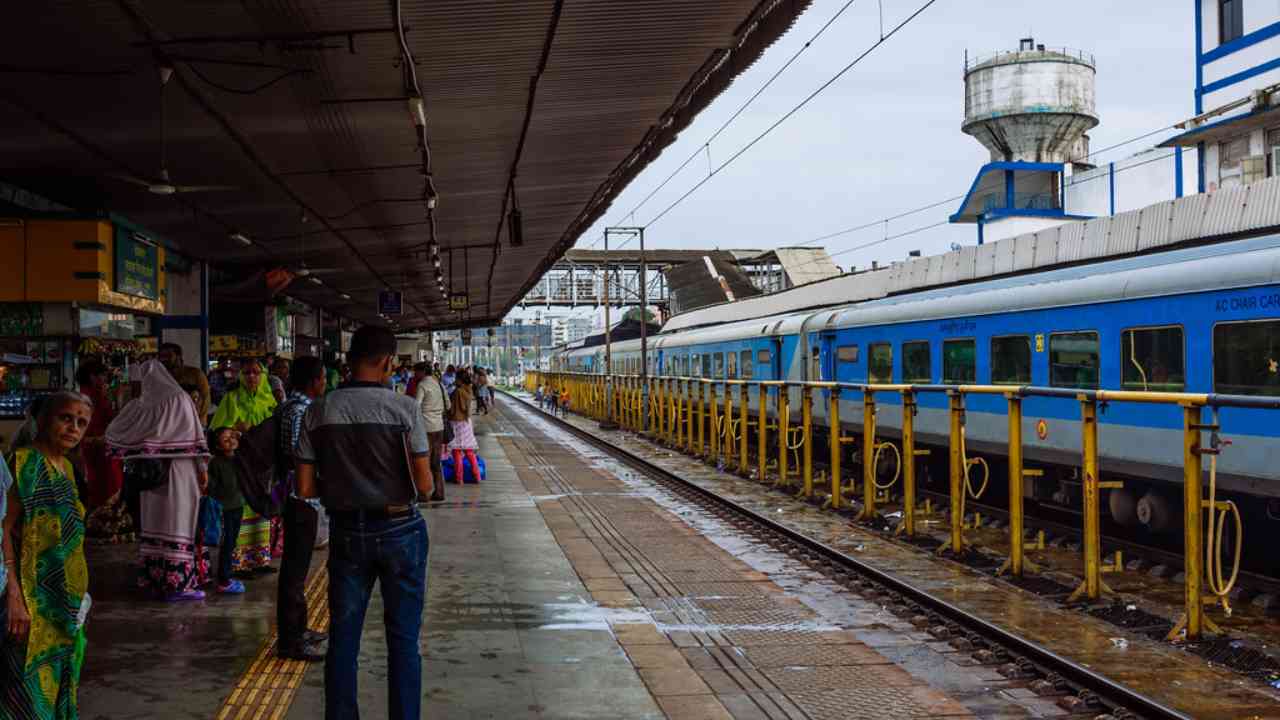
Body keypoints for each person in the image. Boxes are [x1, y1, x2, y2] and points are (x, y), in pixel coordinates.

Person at [295, 325, 432, 720]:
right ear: (388, 362)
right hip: (401, 529)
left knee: (343, 639)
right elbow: (423, 486)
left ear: (350, 360)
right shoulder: (404, 409)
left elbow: (304, 488)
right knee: (404, 642)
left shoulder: (319, 409)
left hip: (347, 531)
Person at [2, 392, 91, 719]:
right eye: (65, 418)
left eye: (82, 423)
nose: (73, 428)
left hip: (67, 604)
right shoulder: (21, 463)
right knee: (25, 690)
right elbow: (2, 529)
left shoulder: (67, 467)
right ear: (43, 420)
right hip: (31, 603)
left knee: (60, 685)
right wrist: (13, 595)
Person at [106, 361, 211, 601]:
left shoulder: (141, 405)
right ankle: (179, 585)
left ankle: (154, 579)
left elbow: (114, 432)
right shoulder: (178, 400)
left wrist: (143, 446)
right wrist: (203, 469)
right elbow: (195, 438)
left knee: (156, 526)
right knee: (179, 524)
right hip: (180, 474)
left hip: (151, 479)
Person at [274, 356, 328, 662]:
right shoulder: (300, 411)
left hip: (296, 497)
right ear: (312, 380)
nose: (324, 383)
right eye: (322, 378)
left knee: (298, 569)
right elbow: (298, 455)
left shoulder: (289, 406)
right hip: (299, 499)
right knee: (294, 572)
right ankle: (291, 641)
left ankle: (300, 629)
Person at [210, 362, 278, 574]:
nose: (251, 376)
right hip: (242, 463)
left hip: (264, 464)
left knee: (261, 510)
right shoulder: (232, 398)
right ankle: (239, 563)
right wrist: (238, 432)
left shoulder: (270, 400)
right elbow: (219, 429)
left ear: (263, 376)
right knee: (243, 508)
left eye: (256, 372)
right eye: (247, 372)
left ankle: (259, 560)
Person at [75, 359, 123, 511]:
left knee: (101, 484)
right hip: (98, 446)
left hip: (98, 445)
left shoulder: (89, 394)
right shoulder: (91, 396)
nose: (105, 379)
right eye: (102, 375)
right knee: (107, 484)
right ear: (92, 377)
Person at [206, 427, 246, 595]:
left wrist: (241, 435)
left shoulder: (240, 458)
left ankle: (226, 576)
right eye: (226, 439)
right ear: (218, 446)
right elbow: (212, 488)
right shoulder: (215, 463)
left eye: (232, 436)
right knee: (228, 543)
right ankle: (224, 579)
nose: (231, 440)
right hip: (225, 509)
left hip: (238, 506)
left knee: (232, 542)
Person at [415, 363, 451, 502]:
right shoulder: (440, 385)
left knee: (424, 459)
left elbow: (416, 406)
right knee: (436, 461)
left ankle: (424, 493)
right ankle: (439, 492)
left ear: (422, 372)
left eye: (416, 372)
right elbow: (448, 405)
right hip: (439, 427)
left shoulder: (422, 385)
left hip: (425, 427)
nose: (415, 375)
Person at [159, 342, 212, 427]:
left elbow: (206, 398)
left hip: (194, 422)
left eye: (168, 355)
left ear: (178, 356)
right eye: (162, 356)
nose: (164, 359)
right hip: (171, 424)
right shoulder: (161, 376)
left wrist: (200, 421)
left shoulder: (195, 374)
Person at [447, 370, 482, 484]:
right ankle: (477, 476)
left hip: (456, 423)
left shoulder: (457, 391)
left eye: (456, 378)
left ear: (460, 380)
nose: (455, 380)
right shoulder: (469, 390)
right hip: (466, 423)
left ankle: (459, 478)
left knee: (456, 452)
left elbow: (451, 409)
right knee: (469, 452)